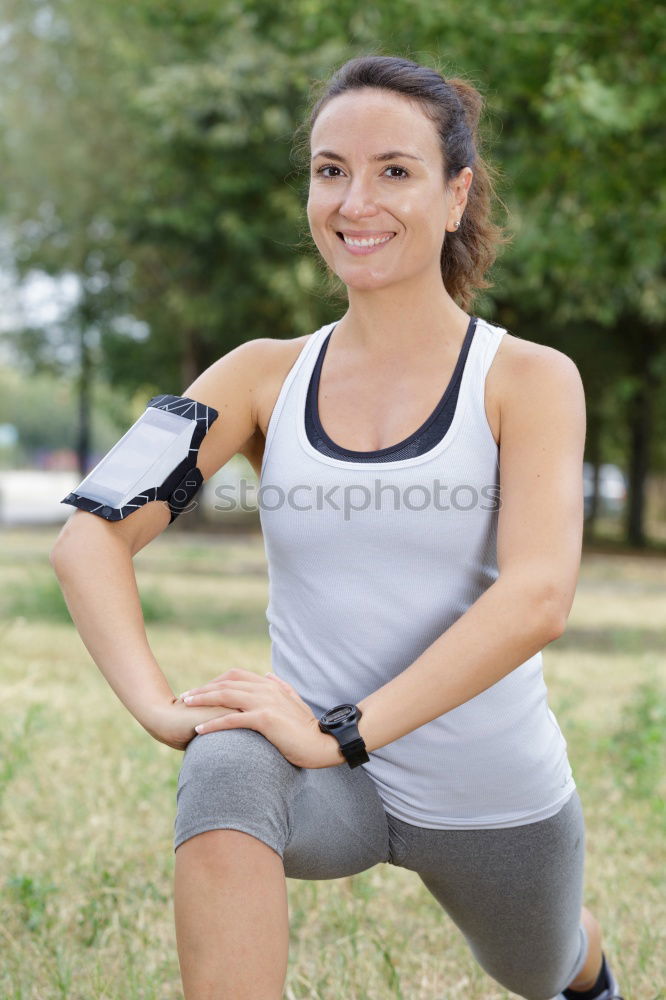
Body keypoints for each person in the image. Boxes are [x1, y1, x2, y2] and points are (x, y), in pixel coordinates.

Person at [50, 54, 624, 1000]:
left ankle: (581, 955)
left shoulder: (530, 379)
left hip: (486, 795)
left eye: (395, 170)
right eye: (330, 170)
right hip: (326, 785)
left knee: (543, 964)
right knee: (228, 764)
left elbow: (537, 599)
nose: (355, 201)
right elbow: (90, 538)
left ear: (455, 195)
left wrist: (342, 733)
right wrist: (166, 712)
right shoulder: (258, 377)